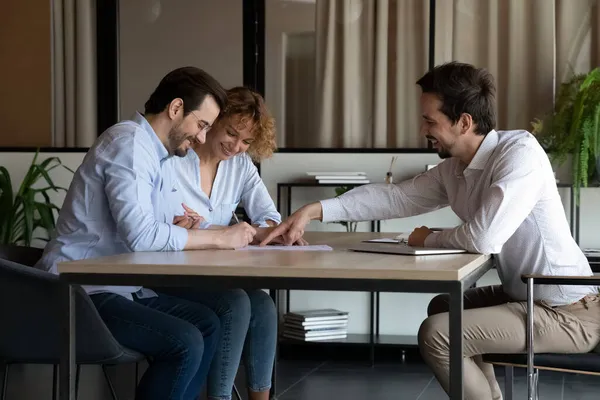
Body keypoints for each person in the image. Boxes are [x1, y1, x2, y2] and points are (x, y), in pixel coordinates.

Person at [259, 62, 600, 400]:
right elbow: (396, 198)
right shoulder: (454, 169)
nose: (423, 129)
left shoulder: (519, 154)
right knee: (443, 306)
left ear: (464, 122)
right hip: (524, 295)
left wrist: (428, 238)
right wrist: (314, 211)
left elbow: (484, 237)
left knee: (438, 334)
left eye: (429, 120)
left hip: (568, 311)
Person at [36, 67, 257, 400]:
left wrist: (186, 229)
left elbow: (163, 225)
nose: (201, 138)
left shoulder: (160, 156)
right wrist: (221, 237)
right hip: (81, 291)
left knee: (209, 323)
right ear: (175, 108)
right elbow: (142, 235)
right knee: (186, 341)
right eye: (201, 125)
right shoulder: (128, 143)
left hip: (121, 287)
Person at [159, 86, 303, 400]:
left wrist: (268, 230)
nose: (237, 146)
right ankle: (220, 396)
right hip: (172, 273)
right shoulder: (175, 158)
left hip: (215, 273)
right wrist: (218, 231)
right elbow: (167, 224)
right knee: (236, 302)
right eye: (231, 133)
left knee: (263, 305)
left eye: (247, 141)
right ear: (213, 121)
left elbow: (267, 213)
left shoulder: (239, 166)